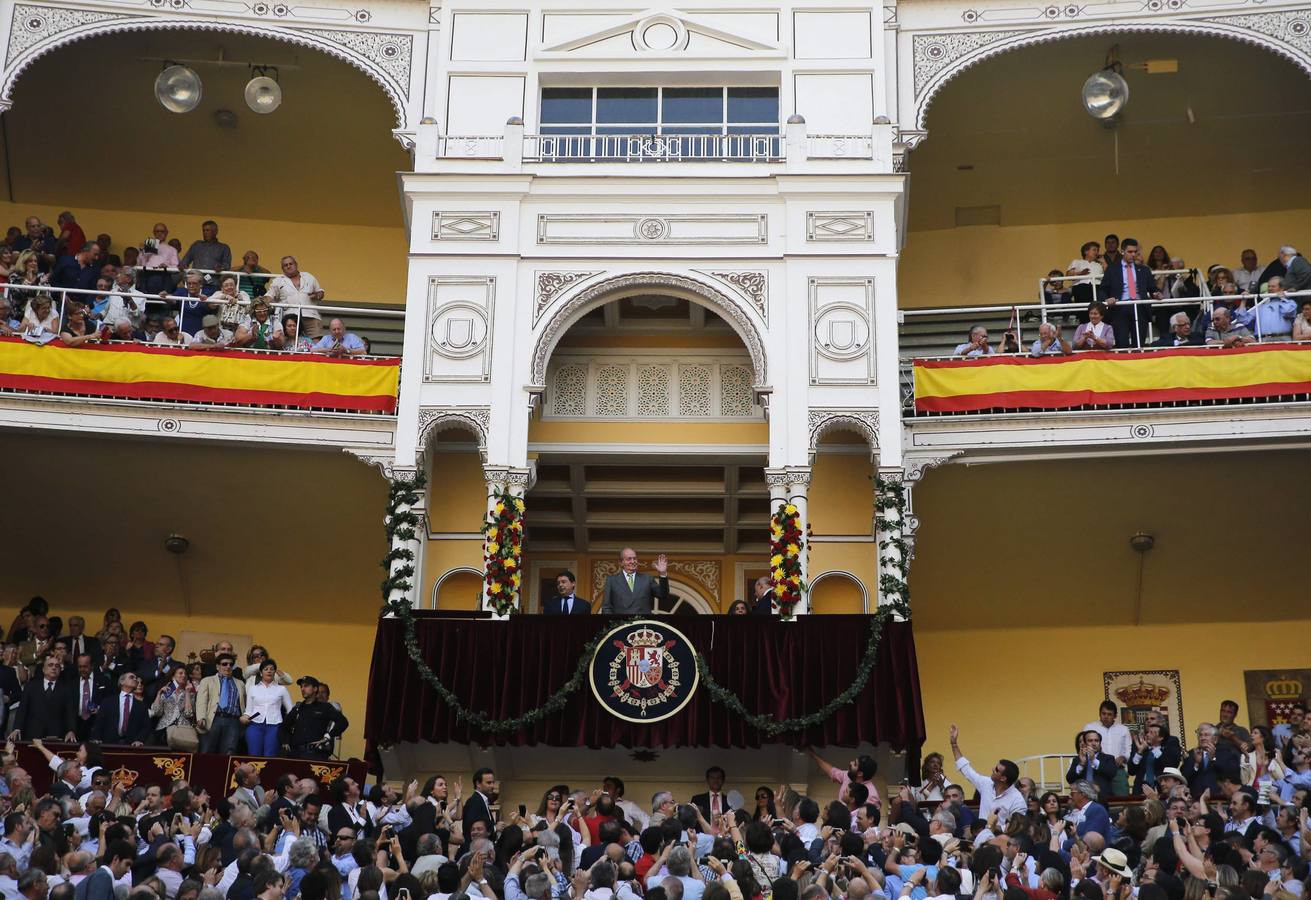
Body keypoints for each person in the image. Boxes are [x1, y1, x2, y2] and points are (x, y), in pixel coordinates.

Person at [947, 724, 1025, 827]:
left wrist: (994, 827)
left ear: (1003, 778)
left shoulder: (1017, 799)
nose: (993, 769)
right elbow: (966, 769)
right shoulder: (986, 783)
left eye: (996, 770)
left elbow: (1016, 826)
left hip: (1001, 840)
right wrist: (954, 744)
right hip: (980, 838)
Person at [1101, 236, 1160, 347]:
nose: (1133, 254)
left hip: (1140, 307)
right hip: (1120, 308)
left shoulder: (1144, 269)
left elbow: (1152, 288)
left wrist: (1156, 294)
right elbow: (1103, 289)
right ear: (1122, 251)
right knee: (1121, 342)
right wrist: (1107, 299)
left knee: (1139, 344)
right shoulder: (1112, 269)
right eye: (1130, 251)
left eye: (1135, 252)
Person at [8, 655, 76, 741]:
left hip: (56, 735)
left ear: (60, 670)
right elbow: (22, 709)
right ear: (43, 669)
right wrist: (17, 728)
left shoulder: (66, 689)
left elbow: (70, 712)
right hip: (32, 734)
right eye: (50, 665)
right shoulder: (31, 686)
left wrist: (71, 730)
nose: (54, 668)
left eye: (57, 666)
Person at [282, 676, 349, 759]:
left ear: (315, 689)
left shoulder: (325, 707)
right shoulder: (298, 707)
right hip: (295, 754)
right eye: (301, 686)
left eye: (306, 686)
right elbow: (284, 726)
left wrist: (328, 736)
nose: (303, 689)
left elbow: (343, 722)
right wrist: (285, 742)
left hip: (315, 754)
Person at [243, 658, 293, 756]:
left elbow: (290, 709)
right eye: (266, 669)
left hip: (275, 726)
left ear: (275, 672)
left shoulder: (281, 689)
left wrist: (287, 726)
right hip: (255, 725)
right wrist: (244, 717)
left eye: (272, 669)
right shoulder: (253, 689)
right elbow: (248, 710)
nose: (269, 671)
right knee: (254, 755)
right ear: (261, 673)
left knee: (270, 755)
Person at [267, 256, 325, 337]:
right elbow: (269, 296)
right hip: (290, 317)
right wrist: (270, 302)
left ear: (296, 264)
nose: (288, 266)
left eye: (291, 263)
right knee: (291, 342)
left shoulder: (308, 276)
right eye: (285, 265)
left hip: (310, 315)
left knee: (316, 343)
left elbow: (320, 292)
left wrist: (317, 295)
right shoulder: (278, 280)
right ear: (282, 268)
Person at [602, 548, 670, 614]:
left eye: (634, 558)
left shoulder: (647, 579)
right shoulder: (612, 581)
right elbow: (606, 607)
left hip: (642, 623)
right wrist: (613, 623)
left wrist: (663, 573)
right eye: (629, 559)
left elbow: (663, 595)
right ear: (621, 562)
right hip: (621, 624)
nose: (633, 561)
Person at [92, 671, 151, 745]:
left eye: (136, 678)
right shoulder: (107, 702)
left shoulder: (141, 705)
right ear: (122, 682)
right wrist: (97, 738)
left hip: (132, 745)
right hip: (109, 744)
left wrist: (139, 739)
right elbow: (99, 723)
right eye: (131, 677)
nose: (135, 679)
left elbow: (145, 726)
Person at [150, 665, 197, 749]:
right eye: (180, 673)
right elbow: (156, 712)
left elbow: (188, 714)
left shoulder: (191, 694)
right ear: (172, 677)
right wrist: (159, 693)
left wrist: (187, 693)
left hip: (183, 731)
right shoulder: (166, 692)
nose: (183, 675)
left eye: (185, 674)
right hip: (163, 729)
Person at [1130, 721, 1182, 793]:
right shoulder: (1142, 749)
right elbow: (1131, 771)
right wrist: (1140, 752)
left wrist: (1154, 748)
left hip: (1161, 789)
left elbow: (1169, 765)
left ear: (1160, 737)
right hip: (1140, 789)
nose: (1148, 734)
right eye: (1147, 732)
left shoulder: (1166, 750)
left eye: (1152, 733)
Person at [1066, 730, 1120, 800]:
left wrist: (1094, 760)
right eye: (1090, 741)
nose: (1094, 743)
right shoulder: (1077, 759)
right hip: (1082, 798)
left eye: (1096, 741)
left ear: (1100, 743)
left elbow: (1112, 773)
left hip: (1102, 797)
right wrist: (1081, 764)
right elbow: (1070, 779)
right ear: (1084, 743)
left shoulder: (1108, 758)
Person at [179, 220, 232, 285]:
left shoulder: (223, 248)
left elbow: (227, 265)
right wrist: (182, 265)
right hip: (195, 282)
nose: (205, 233)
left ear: (215, 231)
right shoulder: (196, 245)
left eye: (207, 230)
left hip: (212, 282)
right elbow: (185, 261)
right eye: (203, 231)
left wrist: (220, 267)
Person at [463, 768, 497, 839]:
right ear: (478, 784)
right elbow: (472, 829)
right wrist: (495, 828)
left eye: (493, 782)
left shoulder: (482, 800)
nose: (492, 786)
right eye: (489, 783)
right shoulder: (474, 801)